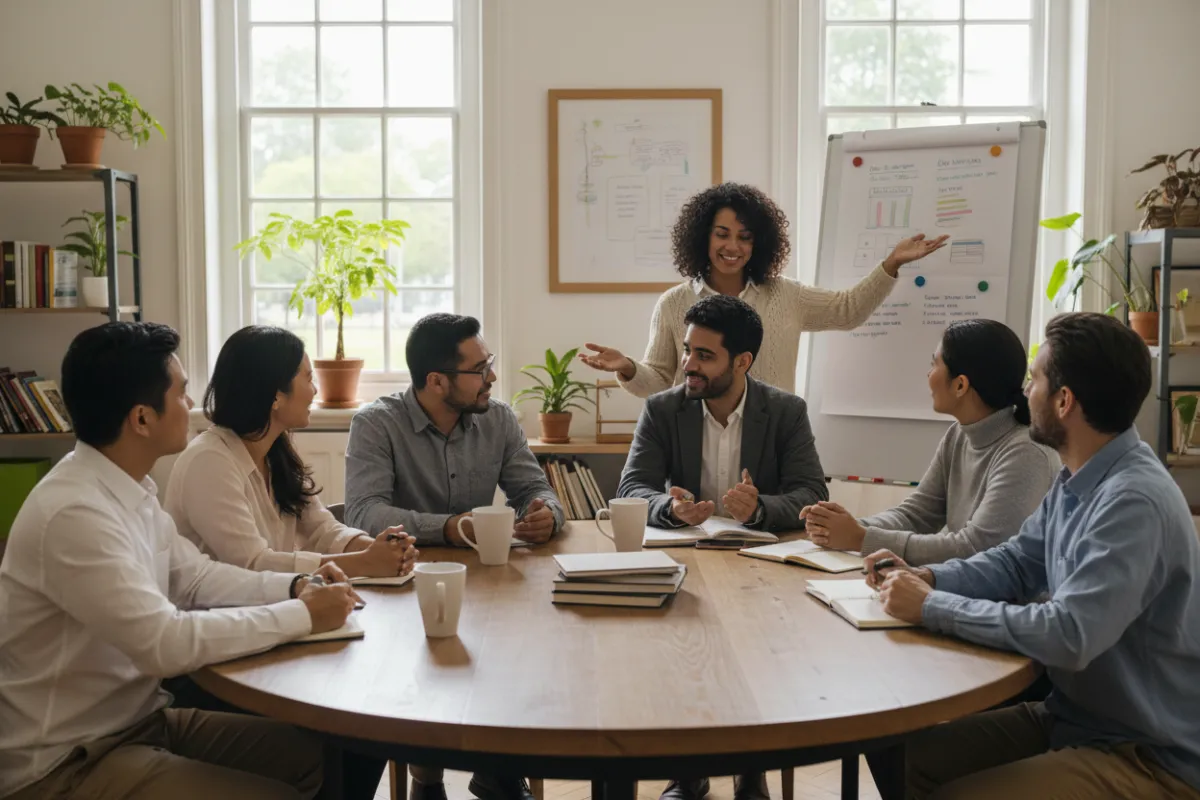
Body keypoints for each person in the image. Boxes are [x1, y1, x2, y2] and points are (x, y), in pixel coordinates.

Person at [0, 322, 362, 800]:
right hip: (68, 762)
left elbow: (194, 580)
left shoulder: (132, 489)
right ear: (142, 419)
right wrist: (302, 614)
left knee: (334, 752)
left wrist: (296, 586)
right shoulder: (74, 513)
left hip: (142, 723)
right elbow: (164, 643)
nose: (192, 407)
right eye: (182, 393)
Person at [867, 312, 1200, 800]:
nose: (1025, 391)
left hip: (1145, 754)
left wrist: (932, 607)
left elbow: (1069, 634)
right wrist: (930, 579)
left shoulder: (1133, 501)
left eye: (1036, 379)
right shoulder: (1077, 476)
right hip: (1075, 719)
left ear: (1064, 401)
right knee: (898, 754)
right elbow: (1016, 562)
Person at [616, 294, 826, 800]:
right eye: (687, 350)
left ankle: (750, 772)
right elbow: (631, 489)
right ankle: (687, 775)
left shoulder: (785, 411)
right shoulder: (663, 408)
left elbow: (812, 494)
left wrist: (758, 509)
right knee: (684, 658)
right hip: (687, 560)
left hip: (761, 564)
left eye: (703, 355)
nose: (688, 364)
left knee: (757, 662)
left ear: (742, 362)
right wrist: (670, 508)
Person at [345, 312, 560, 800]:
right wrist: (447, 528)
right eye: (479, 369)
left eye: (490, 364)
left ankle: (498, 770)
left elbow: (535, 488)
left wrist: (546, 512)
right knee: (422, 658)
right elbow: (363, 512)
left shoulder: (498, 419)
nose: (492, 377)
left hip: (487, 586)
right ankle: (428, 776)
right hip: (403, 586)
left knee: (515, 647)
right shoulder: (376, 423)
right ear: (436, 381)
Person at [580, 182, 948, 398]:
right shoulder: (675, 304)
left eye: (745, 237)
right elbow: (659, 382)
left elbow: (848, 310)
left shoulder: (786, 295)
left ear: (760, 243)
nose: (732, 247)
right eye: (722, 234)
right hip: (694, 447)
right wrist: (628, 368)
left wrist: (891, 264)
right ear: (702, 237)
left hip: (771, 446)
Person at [166, 325, 418, 579]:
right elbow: (252, 564)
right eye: (308, 379)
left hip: (270, 606)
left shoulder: (275, 451)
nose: (315, 391)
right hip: (219, 613)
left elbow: (323, 529)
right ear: (276, 396)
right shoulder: (209, 461)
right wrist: (364, 563)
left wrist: (382, 550)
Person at [800, 318, 1058, 565]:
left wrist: (861, 538)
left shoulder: (1026, 453)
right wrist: (840, 527)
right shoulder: (958, 434)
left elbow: (976, 548)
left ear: (960, 385)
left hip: (1007, 606)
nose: (928, 374)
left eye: (934, 364)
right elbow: (916, 515)